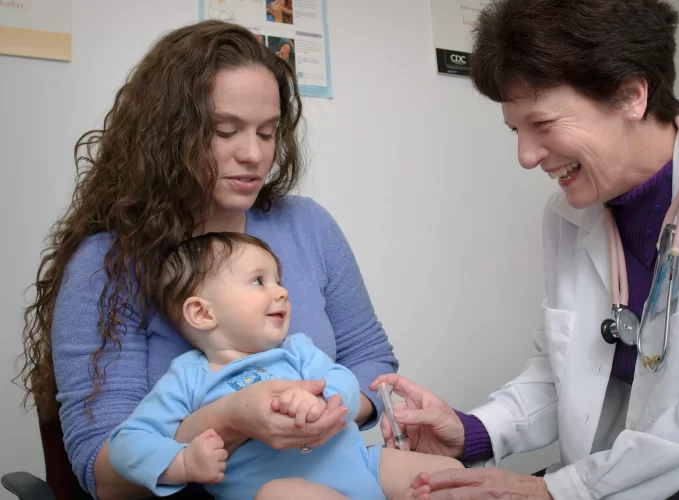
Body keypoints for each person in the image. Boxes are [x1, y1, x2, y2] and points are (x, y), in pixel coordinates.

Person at [372, 0, 679, 499]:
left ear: (632, 96)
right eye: (516, 130)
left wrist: (556, 491)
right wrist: (473, 432)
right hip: (621, 469)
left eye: (543, 125)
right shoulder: (569, 214)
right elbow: (563, 371)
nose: (526, 157)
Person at [16, 20, 398, 500]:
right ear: (168, 135)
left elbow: (371, 359)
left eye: (267, 132)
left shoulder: (308, 226)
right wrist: (233, 420)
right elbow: (103, 472)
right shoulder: (107, 266)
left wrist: (328, 410)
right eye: (225, 130)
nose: (254, 154)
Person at [109, 232, 460, 499]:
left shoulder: (297, 351)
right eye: (259, 281)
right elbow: (127, 443)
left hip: (365, 466)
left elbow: (345, 382)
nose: (282, 292)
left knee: (450, 472)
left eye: (279, 280)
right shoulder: (188, 376)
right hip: (281, 490)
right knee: (281, 494)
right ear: (202, 313)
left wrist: (323, 402)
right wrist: (182, 463)